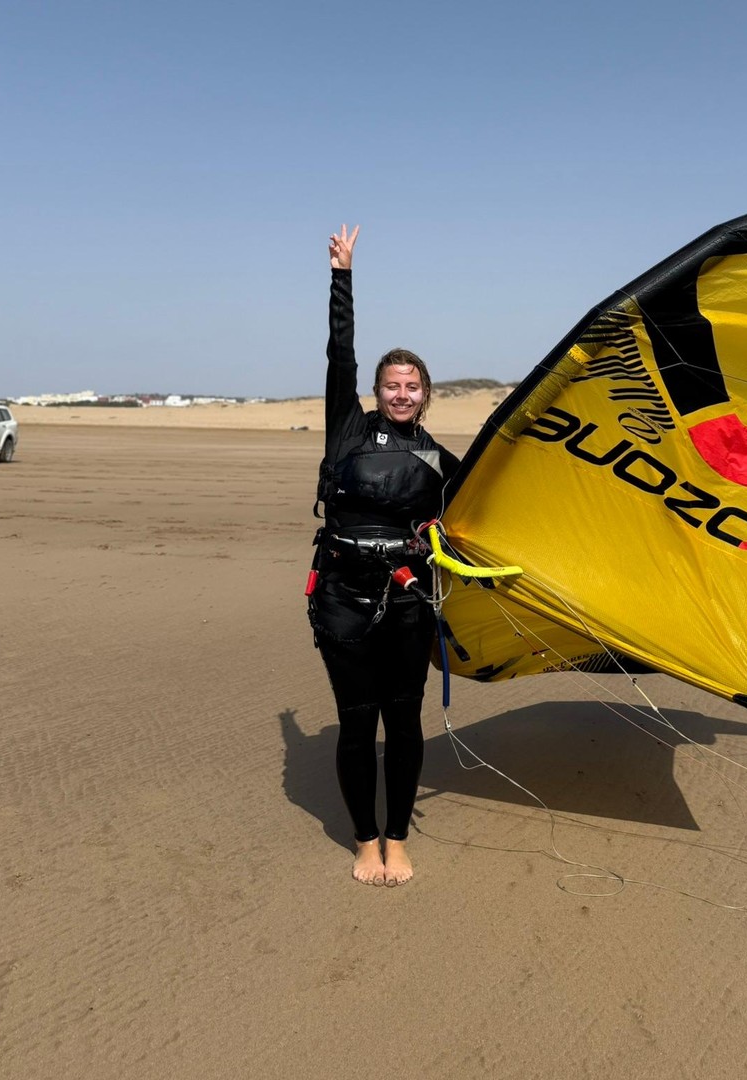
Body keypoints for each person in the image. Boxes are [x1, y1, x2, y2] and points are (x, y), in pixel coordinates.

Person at [307, 224, 460, 886]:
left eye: (413, 386)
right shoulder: (347, 428)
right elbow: (339, 354)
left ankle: (398, 838)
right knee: (355, 719)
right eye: (392, 385)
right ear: (376, 391)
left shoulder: (436, 458)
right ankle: (364, 840)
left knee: (403, 719)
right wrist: (342, 277)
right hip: (342, 596)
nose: (402, 394)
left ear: (427, 394)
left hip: (408, 600)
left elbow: (488, 508)